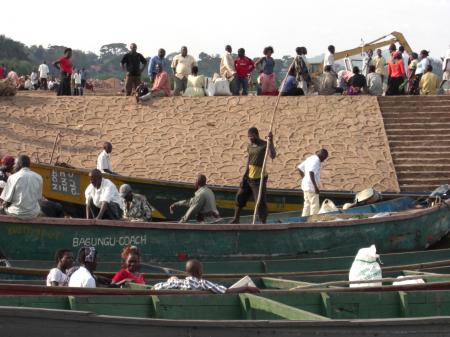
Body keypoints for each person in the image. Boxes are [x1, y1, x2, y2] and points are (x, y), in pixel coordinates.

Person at [231, 127, 276, 224]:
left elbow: (273, 155)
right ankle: (236, 219)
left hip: (259, 179)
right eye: (249, 137)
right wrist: (244, 176)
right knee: (240, 197)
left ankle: (263, 223)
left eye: (251, 137)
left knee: (260, 203)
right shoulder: (250, 146)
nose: (250, 139)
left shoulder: (265, 144)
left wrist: (271, 141)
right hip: (248, 178)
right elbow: (249, 161)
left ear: (256, 134)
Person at [153, 259, 259, 294]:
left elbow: (156, 287)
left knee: (172, 278)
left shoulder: (178, 283)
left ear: (186, 273)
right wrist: (246, 287)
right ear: (200, 272)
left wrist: (173, 279)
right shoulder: (202, 283)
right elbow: (225, 291)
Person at [297, 149, 328, 217]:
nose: (323, 160)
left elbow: (299, 168)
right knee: (314, 206)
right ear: (322, 156)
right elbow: (311, 172)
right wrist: (315, 187)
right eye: (324, 158)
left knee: (307, 205)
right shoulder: (316, 160)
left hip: (305, 186)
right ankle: (313, 221)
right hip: (311, 188)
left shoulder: (311, 158)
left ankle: (304, 220)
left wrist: (304, 178)